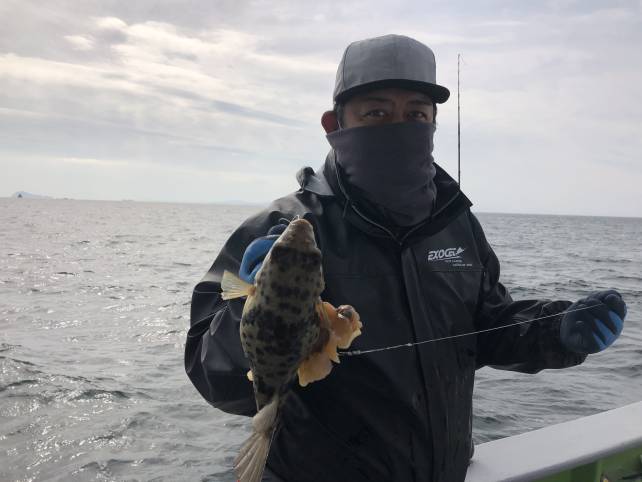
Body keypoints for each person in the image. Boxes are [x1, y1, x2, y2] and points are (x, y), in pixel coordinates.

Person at [185, 34, 627, 482]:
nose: (399, 127)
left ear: (433, 123)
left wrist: (557, 330)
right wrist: (247, 308)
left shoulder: (456, 222)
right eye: (376, 113)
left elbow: (488, 328)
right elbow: (212, 375)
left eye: (416, 114)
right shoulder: (281, 228)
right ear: (333, 124)